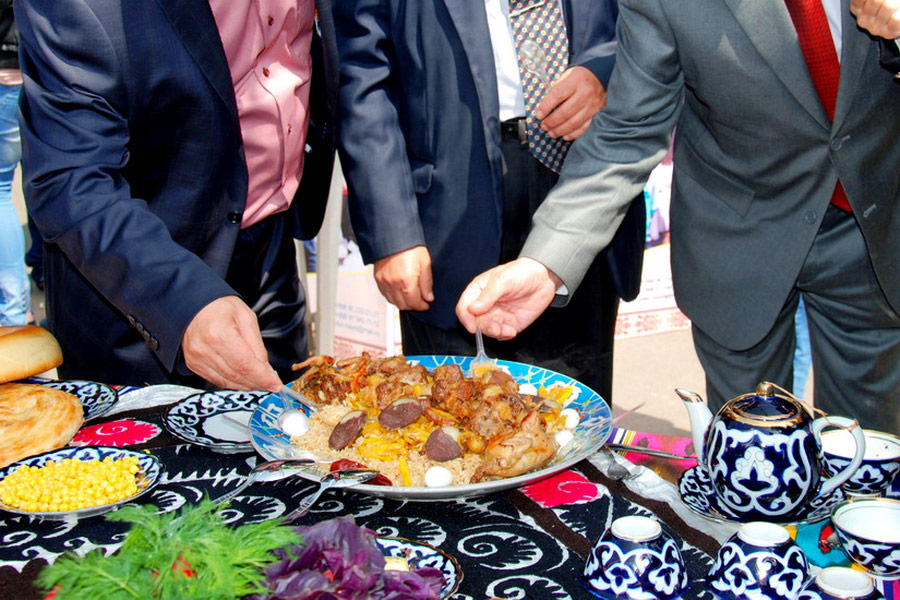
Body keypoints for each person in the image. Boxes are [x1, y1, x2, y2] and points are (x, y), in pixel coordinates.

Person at [456, 0, 900, 433]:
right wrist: (544, 264)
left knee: (871, 461)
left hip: (873, 230)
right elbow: (627, 132)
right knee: (751, 465)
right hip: (738, 235)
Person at [16, 0, 337, 390]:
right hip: (141, 289)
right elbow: (71, 179)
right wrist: (182, 302)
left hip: (271, 255)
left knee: (293, 438)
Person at [333, 0, 645, 401]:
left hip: (584, 178)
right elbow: (361, 73)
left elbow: (649, 22)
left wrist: (606, 71)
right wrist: (392, 231)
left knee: (576, 413)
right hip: (448, 207)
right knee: (452, 424)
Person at [0, 0, 28, 327]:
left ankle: (13, 313)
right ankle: (17, 310)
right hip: (28, 66)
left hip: (7, 71)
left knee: (2, 191)